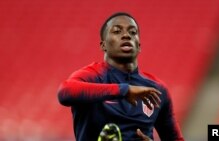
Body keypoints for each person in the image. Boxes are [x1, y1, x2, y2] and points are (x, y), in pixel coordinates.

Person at [57, 12, 184, 141]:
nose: (126, 35)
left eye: (133, 32)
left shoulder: (157, 89)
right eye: (117, 31)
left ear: (139, 45)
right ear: (103, 45)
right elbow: (65, 92)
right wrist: (124, 90)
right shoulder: (93, 76)